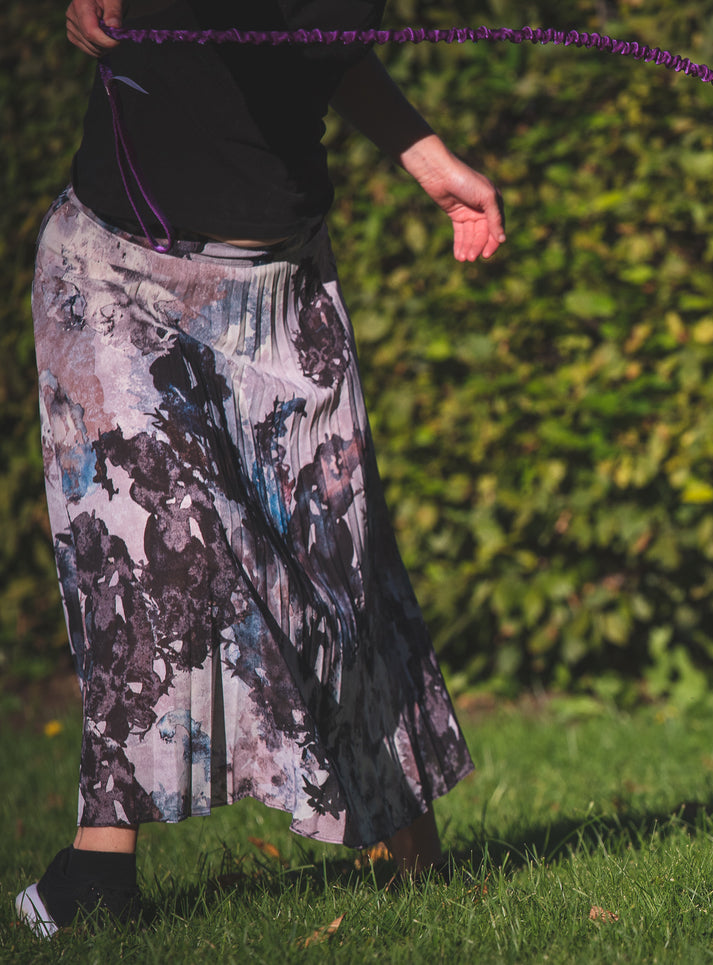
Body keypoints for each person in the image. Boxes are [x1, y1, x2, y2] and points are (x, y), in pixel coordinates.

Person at [17, 0, 505, 937]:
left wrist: (425, 156)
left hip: (285, 296)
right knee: (154, 558)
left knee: (340, 578)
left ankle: (417, 869)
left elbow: (317, 45)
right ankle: (98, 873)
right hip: (118, 281)